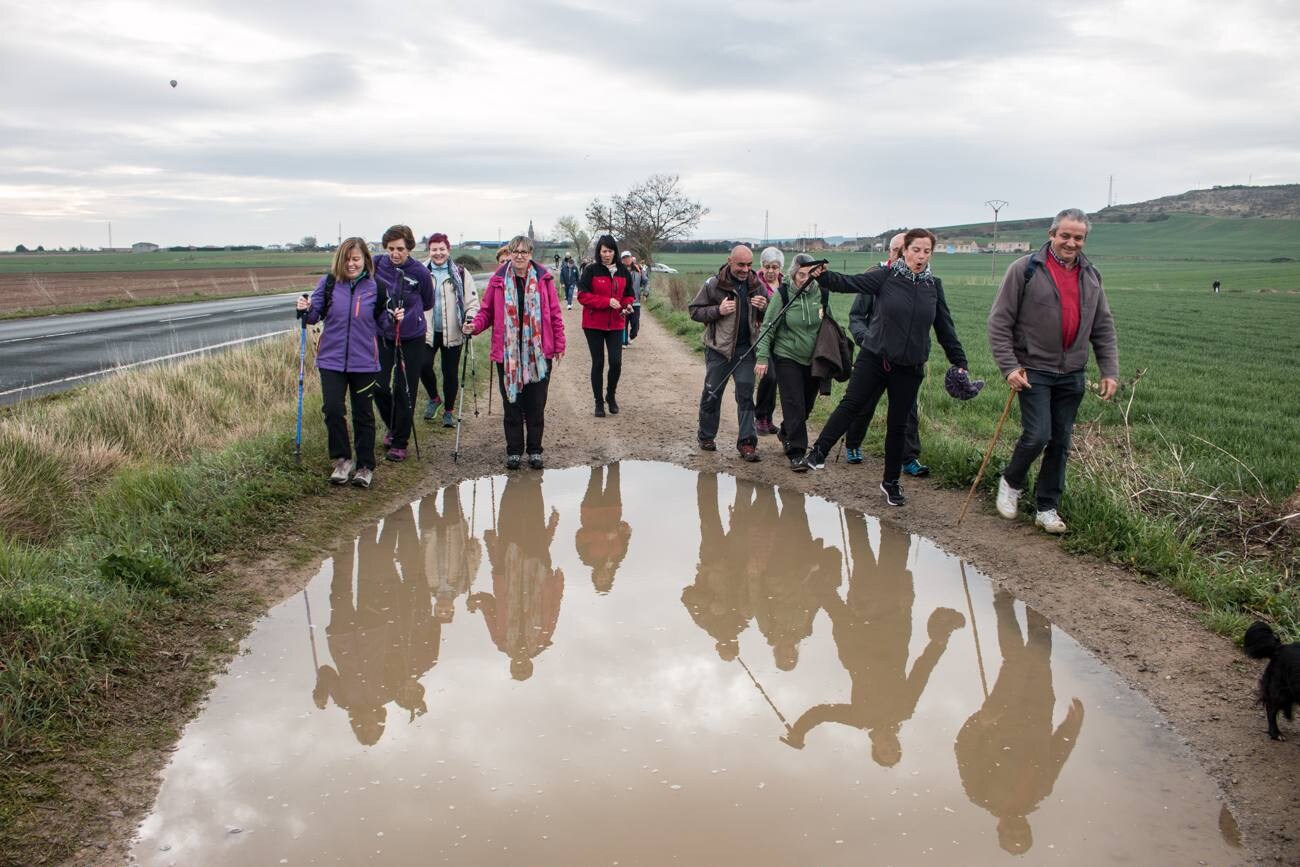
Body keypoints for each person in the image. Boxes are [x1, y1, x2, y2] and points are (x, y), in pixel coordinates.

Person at [797, 229, 969, 508]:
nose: (921, 256)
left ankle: (891, 483)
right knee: (851, 405)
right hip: (876, 359)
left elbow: (945, 330)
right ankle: (818, 453)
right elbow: (849, 282)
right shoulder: (886, 277)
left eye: (927, 251)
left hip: (910, 368)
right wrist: (823, 276)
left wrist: (960, 362)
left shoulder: (933, 287)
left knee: (898, 425)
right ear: (904, 251)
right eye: (916, 250)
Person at [987, 208, 1119, 534]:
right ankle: (1011, 481)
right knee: (1038, 434)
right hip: (1033, 369)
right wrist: (1009, 367)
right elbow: (999, 322)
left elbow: (1102, 326)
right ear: (1051, 235)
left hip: (1072, 372)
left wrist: (1109, 370)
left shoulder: (1091, 275)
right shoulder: (1025, 269)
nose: (1071, 243)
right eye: (1065, 236)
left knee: (1060, 441)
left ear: (1084, 240)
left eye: (1078, 237)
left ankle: (1047, 507)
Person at [955, 590, 1084, 855]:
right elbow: (1058, 753)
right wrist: (1072, 725)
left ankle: (1003, 602)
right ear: (1028, 827)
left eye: (1011, 833)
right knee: (1041, 653)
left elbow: (964, 749)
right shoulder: (1040, 793)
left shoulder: (979, 794)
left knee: (1015, 661)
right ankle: (1038, 601)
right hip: (1039, 712)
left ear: (1000, 828)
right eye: (1021, 832)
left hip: (1003, 716)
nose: (1016, 828)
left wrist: (979, 722)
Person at [464, 235, 565, 469]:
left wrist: (559, 344)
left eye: (524, 252)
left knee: (536, 404)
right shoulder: (498, 280)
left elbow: (555, 313)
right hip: (507, 353)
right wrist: (474, 326)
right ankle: (514, 451)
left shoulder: (543, 279)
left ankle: (535, 450)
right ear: (509, 254)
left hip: (538, 353)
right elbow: (486, 312)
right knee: (512, 404)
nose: (519, 256)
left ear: (530, 254)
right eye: (515, 252)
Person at [295, 237, 384, 488]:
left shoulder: (376, 287)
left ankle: (365, 466)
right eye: (346, 259)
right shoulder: (329, 283)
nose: (351, 264)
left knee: (363, 414)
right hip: (331, 359)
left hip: (365, 361)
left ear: (365, 260)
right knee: (333, 410)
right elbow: (313, 316)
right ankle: (343, 460)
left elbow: (384, 323)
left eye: (356, 259)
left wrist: (395, 317)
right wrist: (304, 307)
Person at [843, 232, 927, 476]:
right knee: (864, 402)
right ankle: (853, 443)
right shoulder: (876, 277)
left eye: (905, 250)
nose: (901, 255)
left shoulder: (920, 281)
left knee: (907, 409)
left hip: (905, 359)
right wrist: (866, 339)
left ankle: (908, 458)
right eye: (896, 250)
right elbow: (856, 316)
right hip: (875, 353)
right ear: (890, 252)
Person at [469, 473, 564, 681]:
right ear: (530, 664)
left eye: (516, 668)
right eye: (523, 668)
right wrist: (557, 584)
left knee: (508, 525)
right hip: (538, 571)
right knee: (534, 525)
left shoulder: (501, 642)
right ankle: (533, 485)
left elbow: (491, 610)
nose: (520, 664)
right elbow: (554, 608)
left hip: (507, 571)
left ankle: (512, 485)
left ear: (512, 665)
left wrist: (476, 600)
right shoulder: (543, 638)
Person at [688, 244, 769, 462]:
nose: (745, 269)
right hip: (719, 350)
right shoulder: (714, 284)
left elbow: (771, 315)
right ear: (730, 261)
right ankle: (706, 436)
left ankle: (747, 443)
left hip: (746, 350)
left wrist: (765, 306)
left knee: (745, 394)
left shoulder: (756, 284)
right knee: (712, 393)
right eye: (741, 264)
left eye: (749, 265)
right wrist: (718, 310)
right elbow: (694, 311)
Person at [755, 253, 825, 469]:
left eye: (809, 274)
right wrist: (762, 356)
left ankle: (786, 431)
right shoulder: (783, 294)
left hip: (813, 357)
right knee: (794, 403)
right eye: (801, 274)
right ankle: (796, 452)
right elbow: (768, 326)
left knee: (806, 405)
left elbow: (828, 324)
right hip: (787, 355)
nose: (805, 279)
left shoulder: (821, 293)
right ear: (794, 273)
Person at [373, 225, 434, 462]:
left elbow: (427, 302)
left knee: (404, 389)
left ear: (409, 247)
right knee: (378, 385)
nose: (395, 254)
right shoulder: (378, 264)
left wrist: (408, 316)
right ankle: (393, 426)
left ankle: (400, 442)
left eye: (400, 249)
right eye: (390, 249)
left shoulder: (419, 272)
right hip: (383, 334)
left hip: (412, 336)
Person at [420, 232, 480, 428]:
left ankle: (449, 412)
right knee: (423, 365)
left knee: (450, 373)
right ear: (429, 251)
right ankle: (435, 398)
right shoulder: (420, 272)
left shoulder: (461, 273)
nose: (438, 253)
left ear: (448, 249)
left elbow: (472, 303)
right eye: (434, 249)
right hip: (426, 331)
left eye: (442, 249)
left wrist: (469, 319)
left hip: (454, 331)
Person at [577, 236, 635, 417]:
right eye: (604, 251)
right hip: (593, 324)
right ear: (599, 252)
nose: (607, 254)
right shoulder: (590, 271)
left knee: (616, 362)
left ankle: (611, 395)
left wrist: (626, 306)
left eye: (610, 251)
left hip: (616, 323)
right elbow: (582, 296)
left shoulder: (623, 272)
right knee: (598, 362)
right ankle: (598, 402)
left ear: (615, 252)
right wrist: (606, 302)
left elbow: (629, 295)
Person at [753, 246, 785, 436]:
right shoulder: (755, 284)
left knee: (776, 379)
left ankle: (769, 419)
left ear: (780, 268)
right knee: (769, 376)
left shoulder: (785, 285)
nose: (771, 271)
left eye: (775, 267)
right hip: (761, 336)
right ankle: (760, 417)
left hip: (781, 338)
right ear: (762, 266)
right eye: (767, 267)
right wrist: (762, 308)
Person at [623, 252, 649, 343]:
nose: (626, 259)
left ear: (631, 258)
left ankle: (632, 336)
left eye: (628, 257)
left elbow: (646, 282)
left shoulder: (639, 270)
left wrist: (645, 293)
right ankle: (624, 341)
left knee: (635, 324)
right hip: (623, 302)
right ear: (622, 259)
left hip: (636, 301)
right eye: (624, 258)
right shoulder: (619, 270)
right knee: (623, 323)